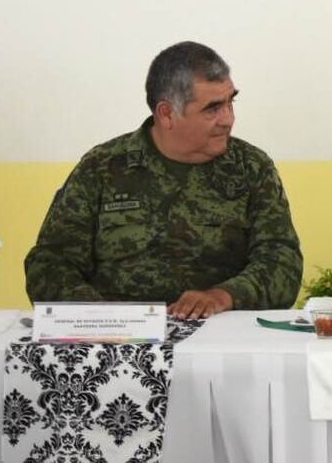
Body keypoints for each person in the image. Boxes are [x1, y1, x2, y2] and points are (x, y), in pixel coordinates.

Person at [25, 42, 303, 319]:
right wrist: (101, 315)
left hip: (218, 337)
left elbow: (282, 262)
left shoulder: (252, 168)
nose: (228, 119)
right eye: (213, 108)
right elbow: (49, 264)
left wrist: (223, 296)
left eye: (231, 102)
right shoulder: (102, 168)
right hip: (118, 347)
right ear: (167, 114)